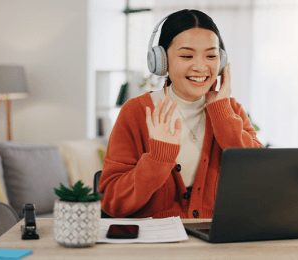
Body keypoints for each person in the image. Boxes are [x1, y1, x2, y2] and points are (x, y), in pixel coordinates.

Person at [99, 9, 264, 219]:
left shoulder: (230, 111)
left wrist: (222, 115)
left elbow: (260, 176)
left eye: (211, 55)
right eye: (187, 55)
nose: (201, 66)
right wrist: (158, 157)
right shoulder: (136, 112)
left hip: (217, 241)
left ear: (221, 61)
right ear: (161, 61)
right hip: (156, 243)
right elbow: (113, 202)